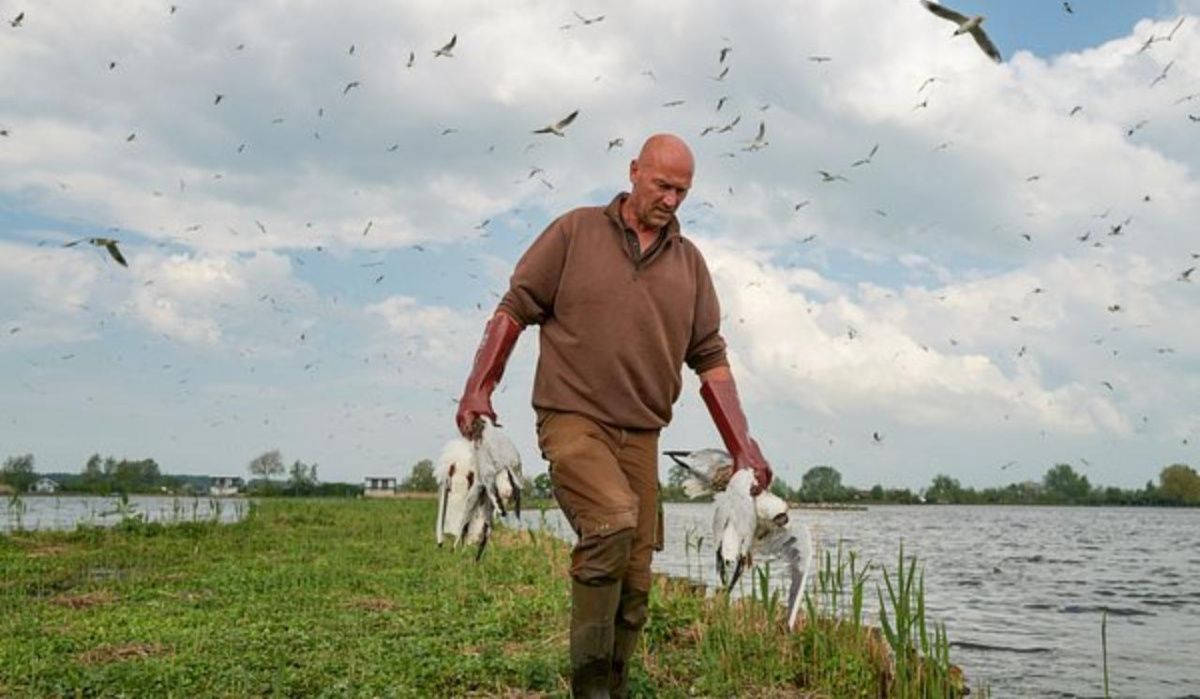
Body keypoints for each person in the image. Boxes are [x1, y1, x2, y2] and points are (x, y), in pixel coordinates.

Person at [455, 133, 773, 698]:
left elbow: (712, 362)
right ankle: (590, 689)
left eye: (682, 190)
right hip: (572, 417)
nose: (672, 199)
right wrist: (479, 387)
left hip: (642, 433)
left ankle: (615, 686)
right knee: (612, 520)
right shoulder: (575, 231)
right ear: (633, 172)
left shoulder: (691, 265)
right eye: (662, 185)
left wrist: (744, 447)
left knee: (636, 577)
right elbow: (514, 308)